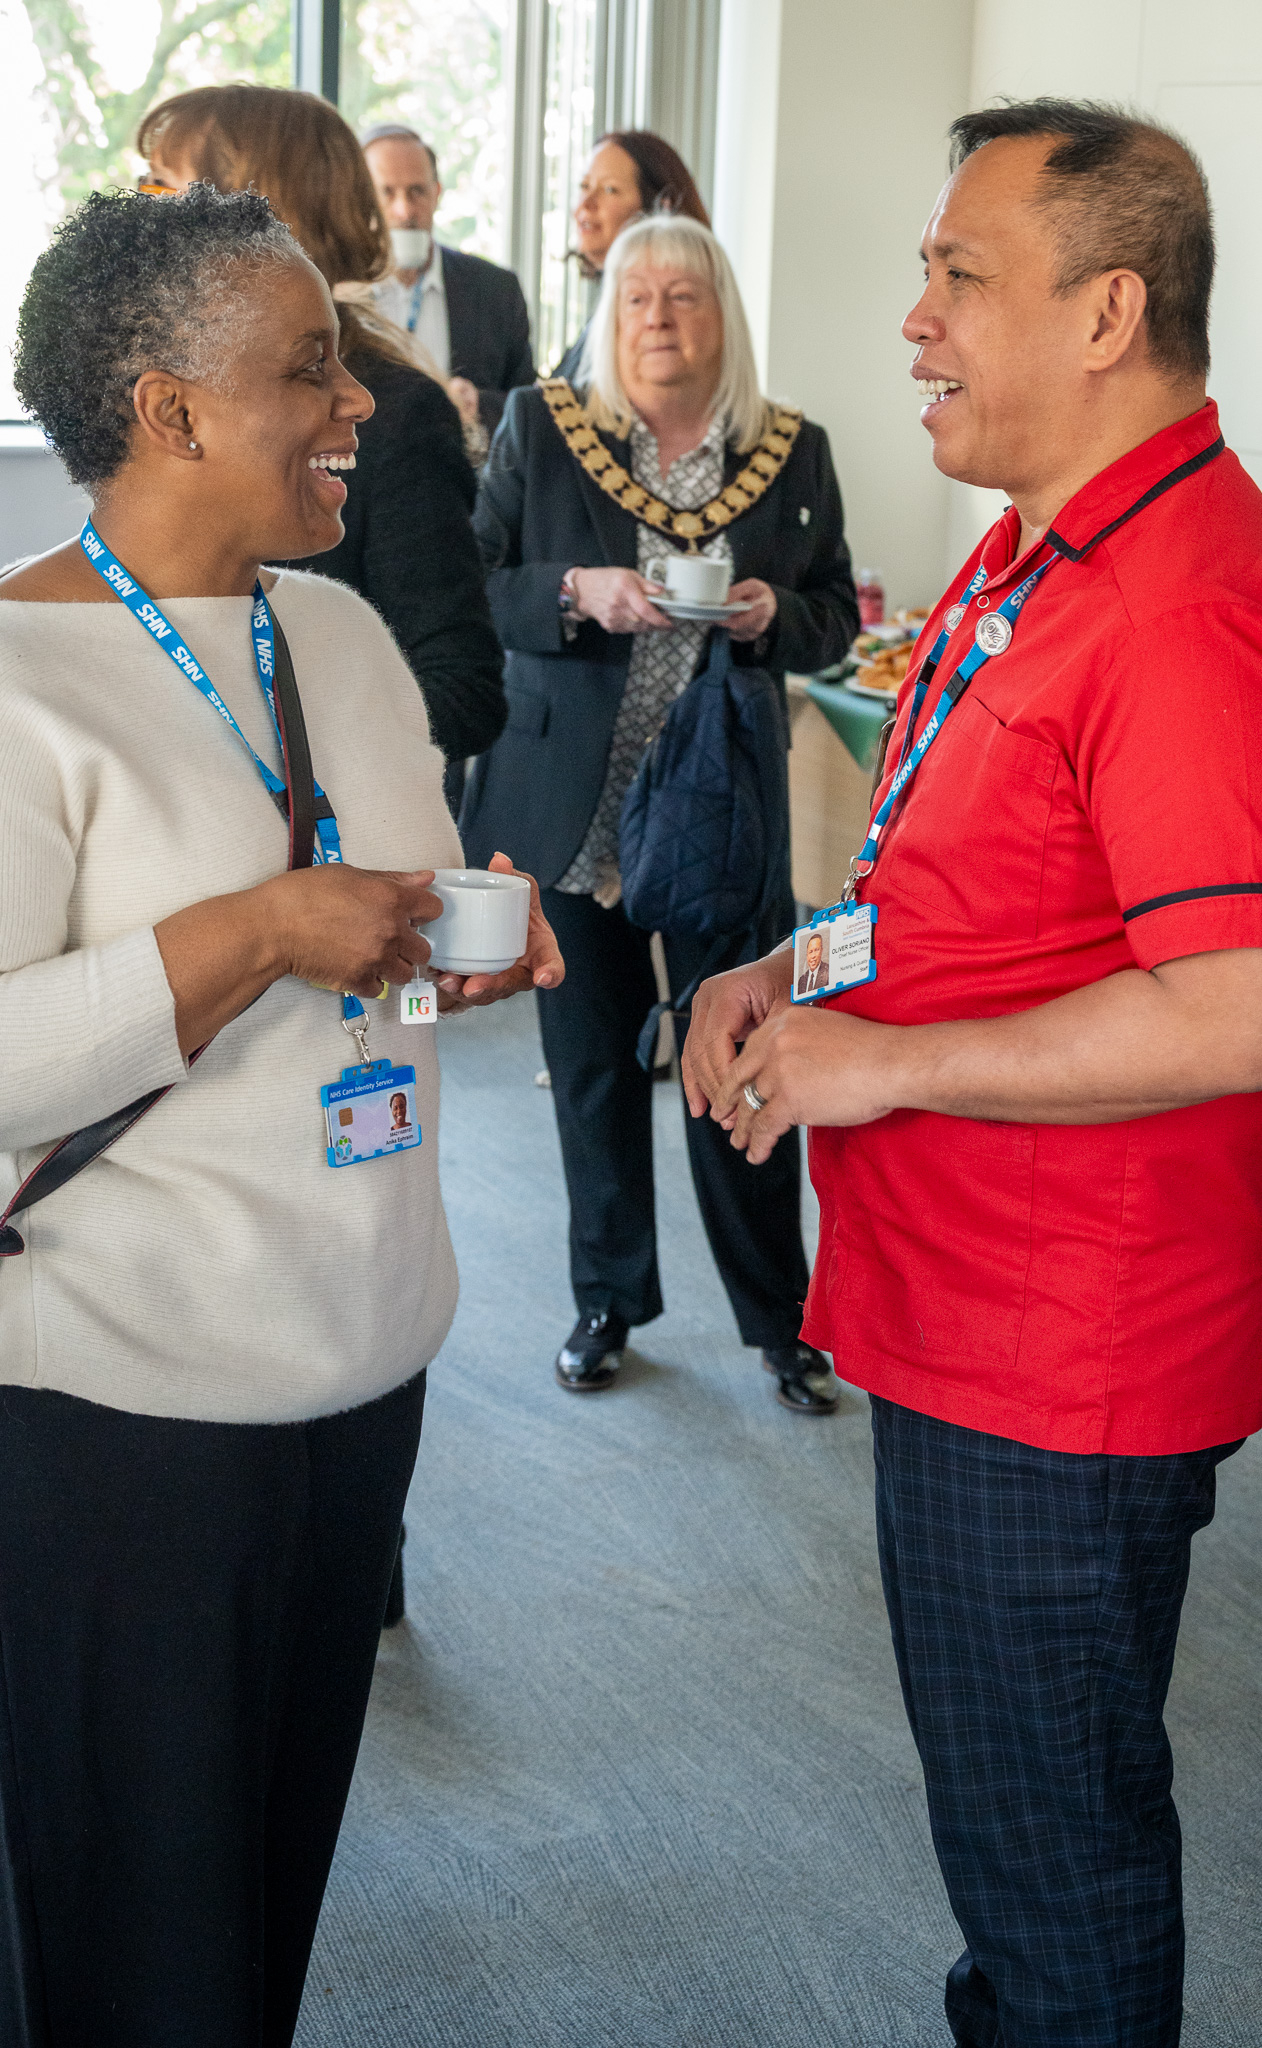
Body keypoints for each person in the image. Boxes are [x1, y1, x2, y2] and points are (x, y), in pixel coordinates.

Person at [683, 99, 1262, 2048]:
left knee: (1051, 1863)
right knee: (1015, 1832)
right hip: (968, 1311)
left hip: (1059, 1351)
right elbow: (977, 883)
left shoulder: (1176, 603)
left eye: (957, 274)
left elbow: (1231, 1002)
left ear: (1106, 315)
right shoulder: (1037, 554)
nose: (913, 318)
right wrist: (794, 965)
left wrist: (887, 1063)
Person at [0, 182, 561, 2045]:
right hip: (123, 1424)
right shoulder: (16, 680)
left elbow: (374, 946)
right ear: (166, 410)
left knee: (260, 1917)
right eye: (308, 369)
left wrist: (443, 956)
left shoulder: (339, 635)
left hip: (360, 1370)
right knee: (140, 1954)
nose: (361, 404)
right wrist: (249, 933)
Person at [462, 214, 858, 1411]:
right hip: (570, 811)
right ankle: (606, 1299)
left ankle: (779, 1320)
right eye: (635, 296)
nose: (658, 316)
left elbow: (833, 616)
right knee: (589, 1066)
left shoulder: (788, 449)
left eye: (683, 296)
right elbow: (475, 581)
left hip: (718, 810)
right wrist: (573, 591)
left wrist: (769, 616)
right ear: (607, 315)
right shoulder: (544, 427)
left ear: (720, 315)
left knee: (741, 1057)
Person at [137, 85, 508, 782]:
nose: (138, 213)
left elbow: (462, 691)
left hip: (319, 829)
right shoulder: (164, 392)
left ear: (252, 214)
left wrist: (255, 742)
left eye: (161, 189)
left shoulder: (391, 413)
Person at [363, 123, 535, 435]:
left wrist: (477, 404)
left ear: (436, 194)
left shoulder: (495, 290)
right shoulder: (333, 290)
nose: (405, 210)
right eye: (387, 192)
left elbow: (528, 406)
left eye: (417, 191)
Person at [556, 130, 710, 383]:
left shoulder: (661, 325)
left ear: (661, 207)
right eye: (584, 186)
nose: (586, 203)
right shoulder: (604, 310)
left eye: (609, 189)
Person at [796, 930, 826, 996]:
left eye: (816, 950)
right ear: (807, 955)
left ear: (821, 951)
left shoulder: (828, 972)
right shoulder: (801, 980)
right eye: (810, 952)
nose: (813, 956)